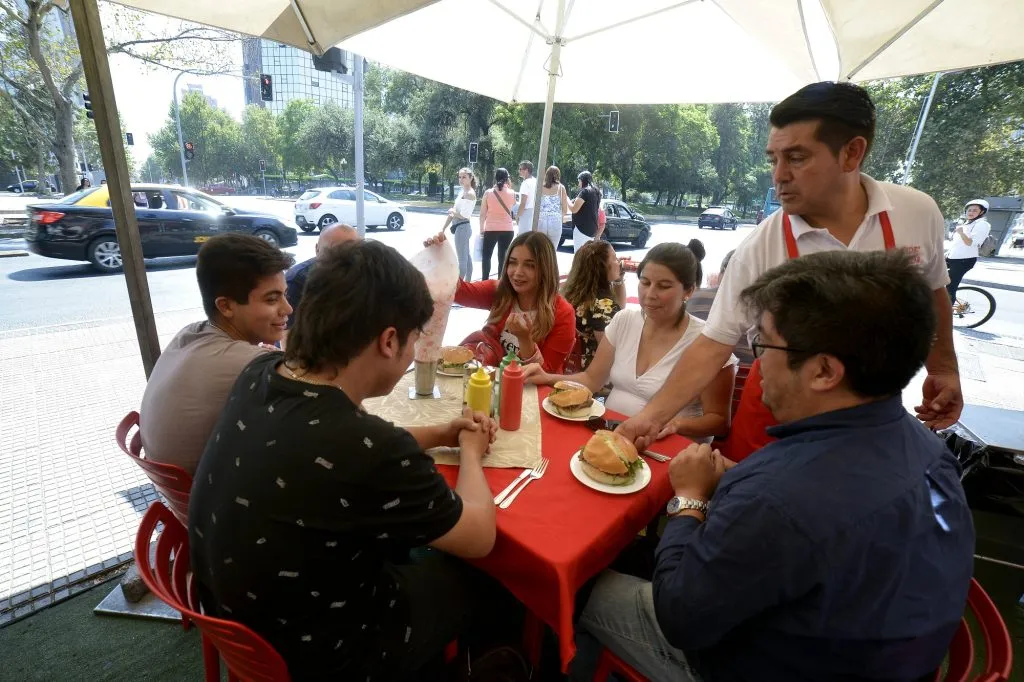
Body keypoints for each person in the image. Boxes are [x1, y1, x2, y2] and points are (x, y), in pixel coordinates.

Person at [574, 250, 974, 682]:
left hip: (751, 663)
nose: (757, 366)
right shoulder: (934, 455)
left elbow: (680, 617)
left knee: (581, 581)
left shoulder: (778, 495)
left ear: (824, 371)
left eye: (763, 345)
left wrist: (690, 501)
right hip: (884, 652)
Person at [190, 240, 501, 681]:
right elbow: (479, 535)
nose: (414, 351)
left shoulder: (260, 373)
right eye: (415, 339)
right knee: (484, 578)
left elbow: (336, 450)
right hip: (323, 654)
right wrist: (469, 451)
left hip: (238, 628)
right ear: (389, 340)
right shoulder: (367, 446)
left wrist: (439, 434)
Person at [617, 81, 962, 455]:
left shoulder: (917, 211)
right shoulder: (761, 246)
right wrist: (648, 419)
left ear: (852, 153)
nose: (778, 175)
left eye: (796, 158)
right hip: (776, 411)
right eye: (773, 159)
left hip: (871, 414)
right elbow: (713, 345)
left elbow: (932, 290)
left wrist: (943, 369)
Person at [527, 242, 735, 443]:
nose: (650, 295)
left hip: (671, 447)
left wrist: (675, 424)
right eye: (645, 283)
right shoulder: (624, 320)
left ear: (689, 291)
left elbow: (718, 421)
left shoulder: (707, 342)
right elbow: (592, 379)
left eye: (663, 286)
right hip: (613, 435)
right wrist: (546, 377)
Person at [139, 234, 294, 474]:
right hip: (215, 503)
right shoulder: (251, 363)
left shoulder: (189, 334)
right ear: (226, 306)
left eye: (285, 294)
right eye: (272, 299)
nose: (288, 308)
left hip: (179, 494)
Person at [427, 230, 576, 372]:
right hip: (488, 385)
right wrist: (443, 260)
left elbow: (545, 375)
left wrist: (525, 340)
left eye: (530, 265)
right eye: (513, 262)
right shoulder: (499, 291)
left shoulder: (563, 313)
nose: (517, 272)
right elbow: (460, 291)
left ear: (545, 269)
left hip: (534, 394)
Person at [560, 240, 626, 370]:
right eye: (614, 258)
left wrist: (618, 279)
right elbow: (609, 352)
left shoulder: (569, 293)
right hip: (592, 374)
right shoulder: (602, 305)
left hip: (568, 364)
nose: (618, 262)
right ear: (602, 267)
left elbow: (619, 308)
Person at [284, 223, 359, 329]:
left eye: (352, 250)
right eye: (335, 251)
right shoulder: (298, 280)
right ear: (317, 250)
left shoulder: (364, 274)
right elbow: (286, 333)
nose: (344, 257)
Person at [686, 249, 755, 366]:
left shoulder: (692, 297)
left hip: (693, 370)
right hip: (746, 375)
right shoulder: (764, 307)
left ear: (722, 274)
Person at [947, 198, 992, 302]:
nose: (971, 212)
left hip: (963, 261)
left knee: (950, 288)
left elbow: (970, 243)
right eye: (969, 210)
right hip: (952, 257)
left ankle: (945, 315)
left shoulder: (982, 225)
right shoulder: (967, 224)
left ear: (982, 212)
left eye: (975, 210)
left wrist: (961, 233)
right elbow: (958, 244)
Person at [478, 168, 516, 280]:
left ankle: (485, 281)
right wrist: (509, 185)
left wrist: (481, 229)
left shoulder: (488, 193)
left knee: (486, 256)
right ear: (507, 178)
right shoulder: (512, 193)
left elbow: (482, 214)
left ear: (495, 178)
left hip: (491, 229)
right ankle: (500, 283)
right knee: (503, 258)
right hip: (508, 229)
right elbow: (512, 206)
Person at [442, 167, 477, 281]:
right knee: (466, 258)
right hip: (461, 227)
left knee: (462, 259)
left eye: (464, 177)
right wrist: (443, 228)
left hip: (463, 227)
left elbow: (464, 215)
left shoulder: (470, 193)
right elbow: (454, 211)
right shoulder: (462, 192)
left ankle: (459, 286)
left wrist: (453, 212)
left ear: (471, 178)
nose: (461, 179)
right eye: (460, 177)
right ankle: (467, 283)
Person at [536, 165, 571, 248]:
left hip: (541, 220)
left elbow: (536, 206)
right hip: (555, 220)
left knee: (541, 249)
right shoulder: (561, 188)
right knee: (553, 249)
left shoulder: (540, 187)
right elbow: (565, 210)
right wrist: (560, 217)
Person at [570, 171, 602, 253]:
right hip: (592, 230)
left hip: (582, 230)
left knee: (579, 256)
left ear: (582, 180)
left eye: (579, 181)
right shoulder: (596, 192)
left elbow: (574, 209)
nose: (578, 184)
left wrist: (566, 200)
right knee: (587, 257)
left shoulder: (585, 192)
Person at [516, 161, 536, 235]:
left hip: (526, 213)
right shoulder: (535, 181)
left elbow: (523, 203)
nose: (519, 171)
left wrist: (518, 216)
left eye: (520, 169)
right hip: (535, 212)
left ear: (526, 170)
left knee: (523, 237)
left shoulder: (525, 183)